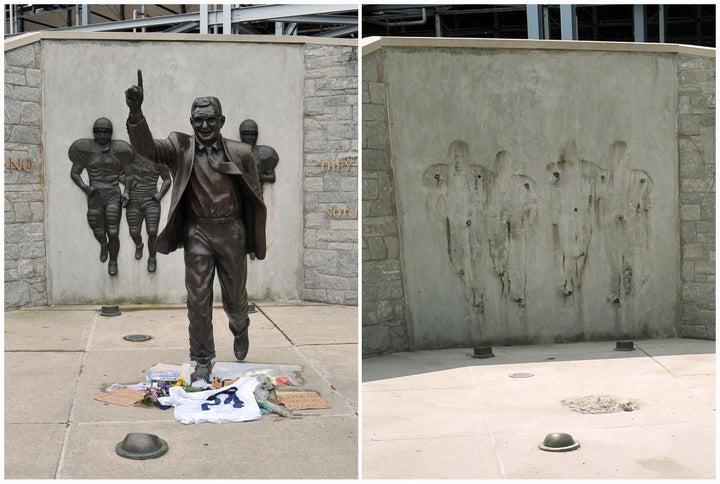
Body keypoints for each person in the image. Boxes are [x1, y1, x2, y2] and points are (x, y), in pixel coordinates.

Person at [125, 70, 267, 383]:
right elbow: (147, 149)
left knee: (235, 298)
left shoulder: (242, 153)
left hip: (231, 232)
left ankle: (240, 325)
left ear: (222, 121)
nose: (204, 126)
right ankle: (202, 359)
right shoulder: (180, 147)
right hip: (198, 233)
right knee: (198, 299)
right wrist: (136, 114)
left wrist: (255, 243)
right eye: (198, 120)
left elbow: (255, 197)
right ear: (191, 121)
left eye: (210, 120)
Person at [69, 117, 133, 276]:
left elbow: (130, 174)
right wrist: (85, 188)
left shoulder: (120, 150)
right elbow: (75, 173)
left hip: (112, 193)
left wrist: (127, 192)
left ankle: (113, 261)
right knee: (95, 226)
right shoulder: (86, 151)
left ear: (111, 133)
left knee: (113, 231)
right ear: (94, 132)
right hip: (95, 194)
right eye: (98, 131)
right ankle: (103, 244)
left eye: (106, 132)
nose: (102, 135)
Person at [125, 153, 171, 272]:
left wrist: (160, 194)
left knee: (152, 231)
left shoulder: (159, 159)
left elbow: (167, 180)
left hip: (151, 201)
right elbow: (118, 174)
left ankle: (152, 257)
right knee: (134, 232)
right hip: (133, 200)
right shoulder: (129, 157)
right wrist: (127, 186)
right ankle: (139, 245)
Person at [239, 119, 279, 185]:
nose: (249, 137)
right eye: (246, 134)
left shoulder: (264, 153)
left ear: (257, 135)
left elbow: (272, 177)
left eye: (253, 134)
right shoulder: (234, 151)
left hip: (257, 191)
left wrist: (260, 177)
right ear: (241, 134)